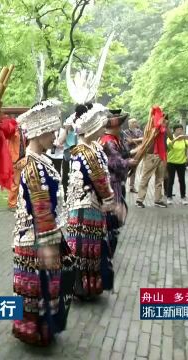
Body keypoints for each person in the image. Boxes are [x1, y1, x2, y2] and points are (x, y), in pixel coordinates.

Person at [12, 99, 75, 346]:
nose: (54, 136)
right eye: (51, 132)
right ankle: (34, 333)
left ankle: (42, 330)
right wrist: (49, 245)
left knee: (44, 288)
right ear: (38, 133)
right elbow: (40, 209)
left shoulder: (40, 161)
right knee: (37, 288)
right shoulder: (32, 166)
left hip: (43, 236)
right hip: (35, 239)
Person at [65, 104, 115, 299]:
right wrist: (110, 200)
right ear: (93, 128)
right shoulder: (87, 152)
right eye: (102, 126)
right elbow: (101, 181)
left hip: (90, 204)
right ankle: (81, 287)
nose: (104, 129)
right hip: (86, 206)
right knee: (84, 248)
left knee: (89, 247)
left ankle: (86, 286)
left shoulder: (93, 148)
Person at [99, 109, 137, 257]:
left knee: (117, 210)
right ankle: (109, 245)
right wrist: (129, 162)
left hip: (117, 181)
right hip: (112, 182)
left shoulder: (115, 139)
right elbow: (115, 162)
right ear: (113, 127)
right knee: (113, 215)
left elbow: (124, 153)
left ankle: (110, 239)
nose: (120, 129)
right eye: (119, 126)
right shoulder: (108, 141)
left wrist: (134, 152)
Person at [136, 106, 172, 208]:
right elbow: (151, 136)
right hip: (151, 155)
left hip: (162, 155)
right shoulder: (150, 128)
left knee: (160, 179)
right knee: (145, 178)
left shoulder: (164, 128)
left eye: (165, 118)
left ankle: (158, 200)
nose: (164, 119)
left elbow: (171, 137)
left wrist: (167, 126)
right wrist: (159, 126)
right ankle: (139, 200)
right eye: (161, 117)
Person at [59, 104, 88, 201]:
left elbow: (61, 140)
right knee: (71, 177)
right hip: (74, 155)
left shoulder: (76, 123)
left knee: (72, 177)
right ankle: (72, 198)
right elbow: (60, 141)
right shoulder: (72, 123)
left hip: (74, 155)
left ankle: (72, 198)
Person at [165, 124, 188, 205]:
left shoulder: (184, 139)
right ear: (174, 130)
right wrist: (176, 139)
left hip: (181, 162)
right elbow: (169, 146)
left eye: (181, 129)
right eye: (178, 129)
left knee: (182, 180)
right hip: (171, 162)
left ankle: (183, 197)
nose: (180, 131)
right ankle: (169, 197)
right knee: (171, 180)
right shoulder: (170, 138)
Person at [7, 120, 26, 211]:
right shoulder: (13, 131)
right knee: (15, 183)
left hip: (22, 158)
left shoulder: (22, 131)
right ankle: (12, 204)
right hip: (14, 159)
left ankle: (17, 202)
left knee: (19, 182)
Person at [123, 118, 144, 193]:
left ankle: (132, 187)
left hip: (137, 153)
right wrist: (137, 140)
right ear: (129, 124)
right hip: (128, 153)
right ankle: (123, 185)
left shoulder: (139, 131)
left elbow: (143, 139)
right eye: (133, 122)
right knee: (125, 169)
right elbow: (126, 142)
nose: (135, 123)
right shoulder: (125, 132)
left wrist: (133, 140)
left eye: (135, 122)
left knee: (133, 170)